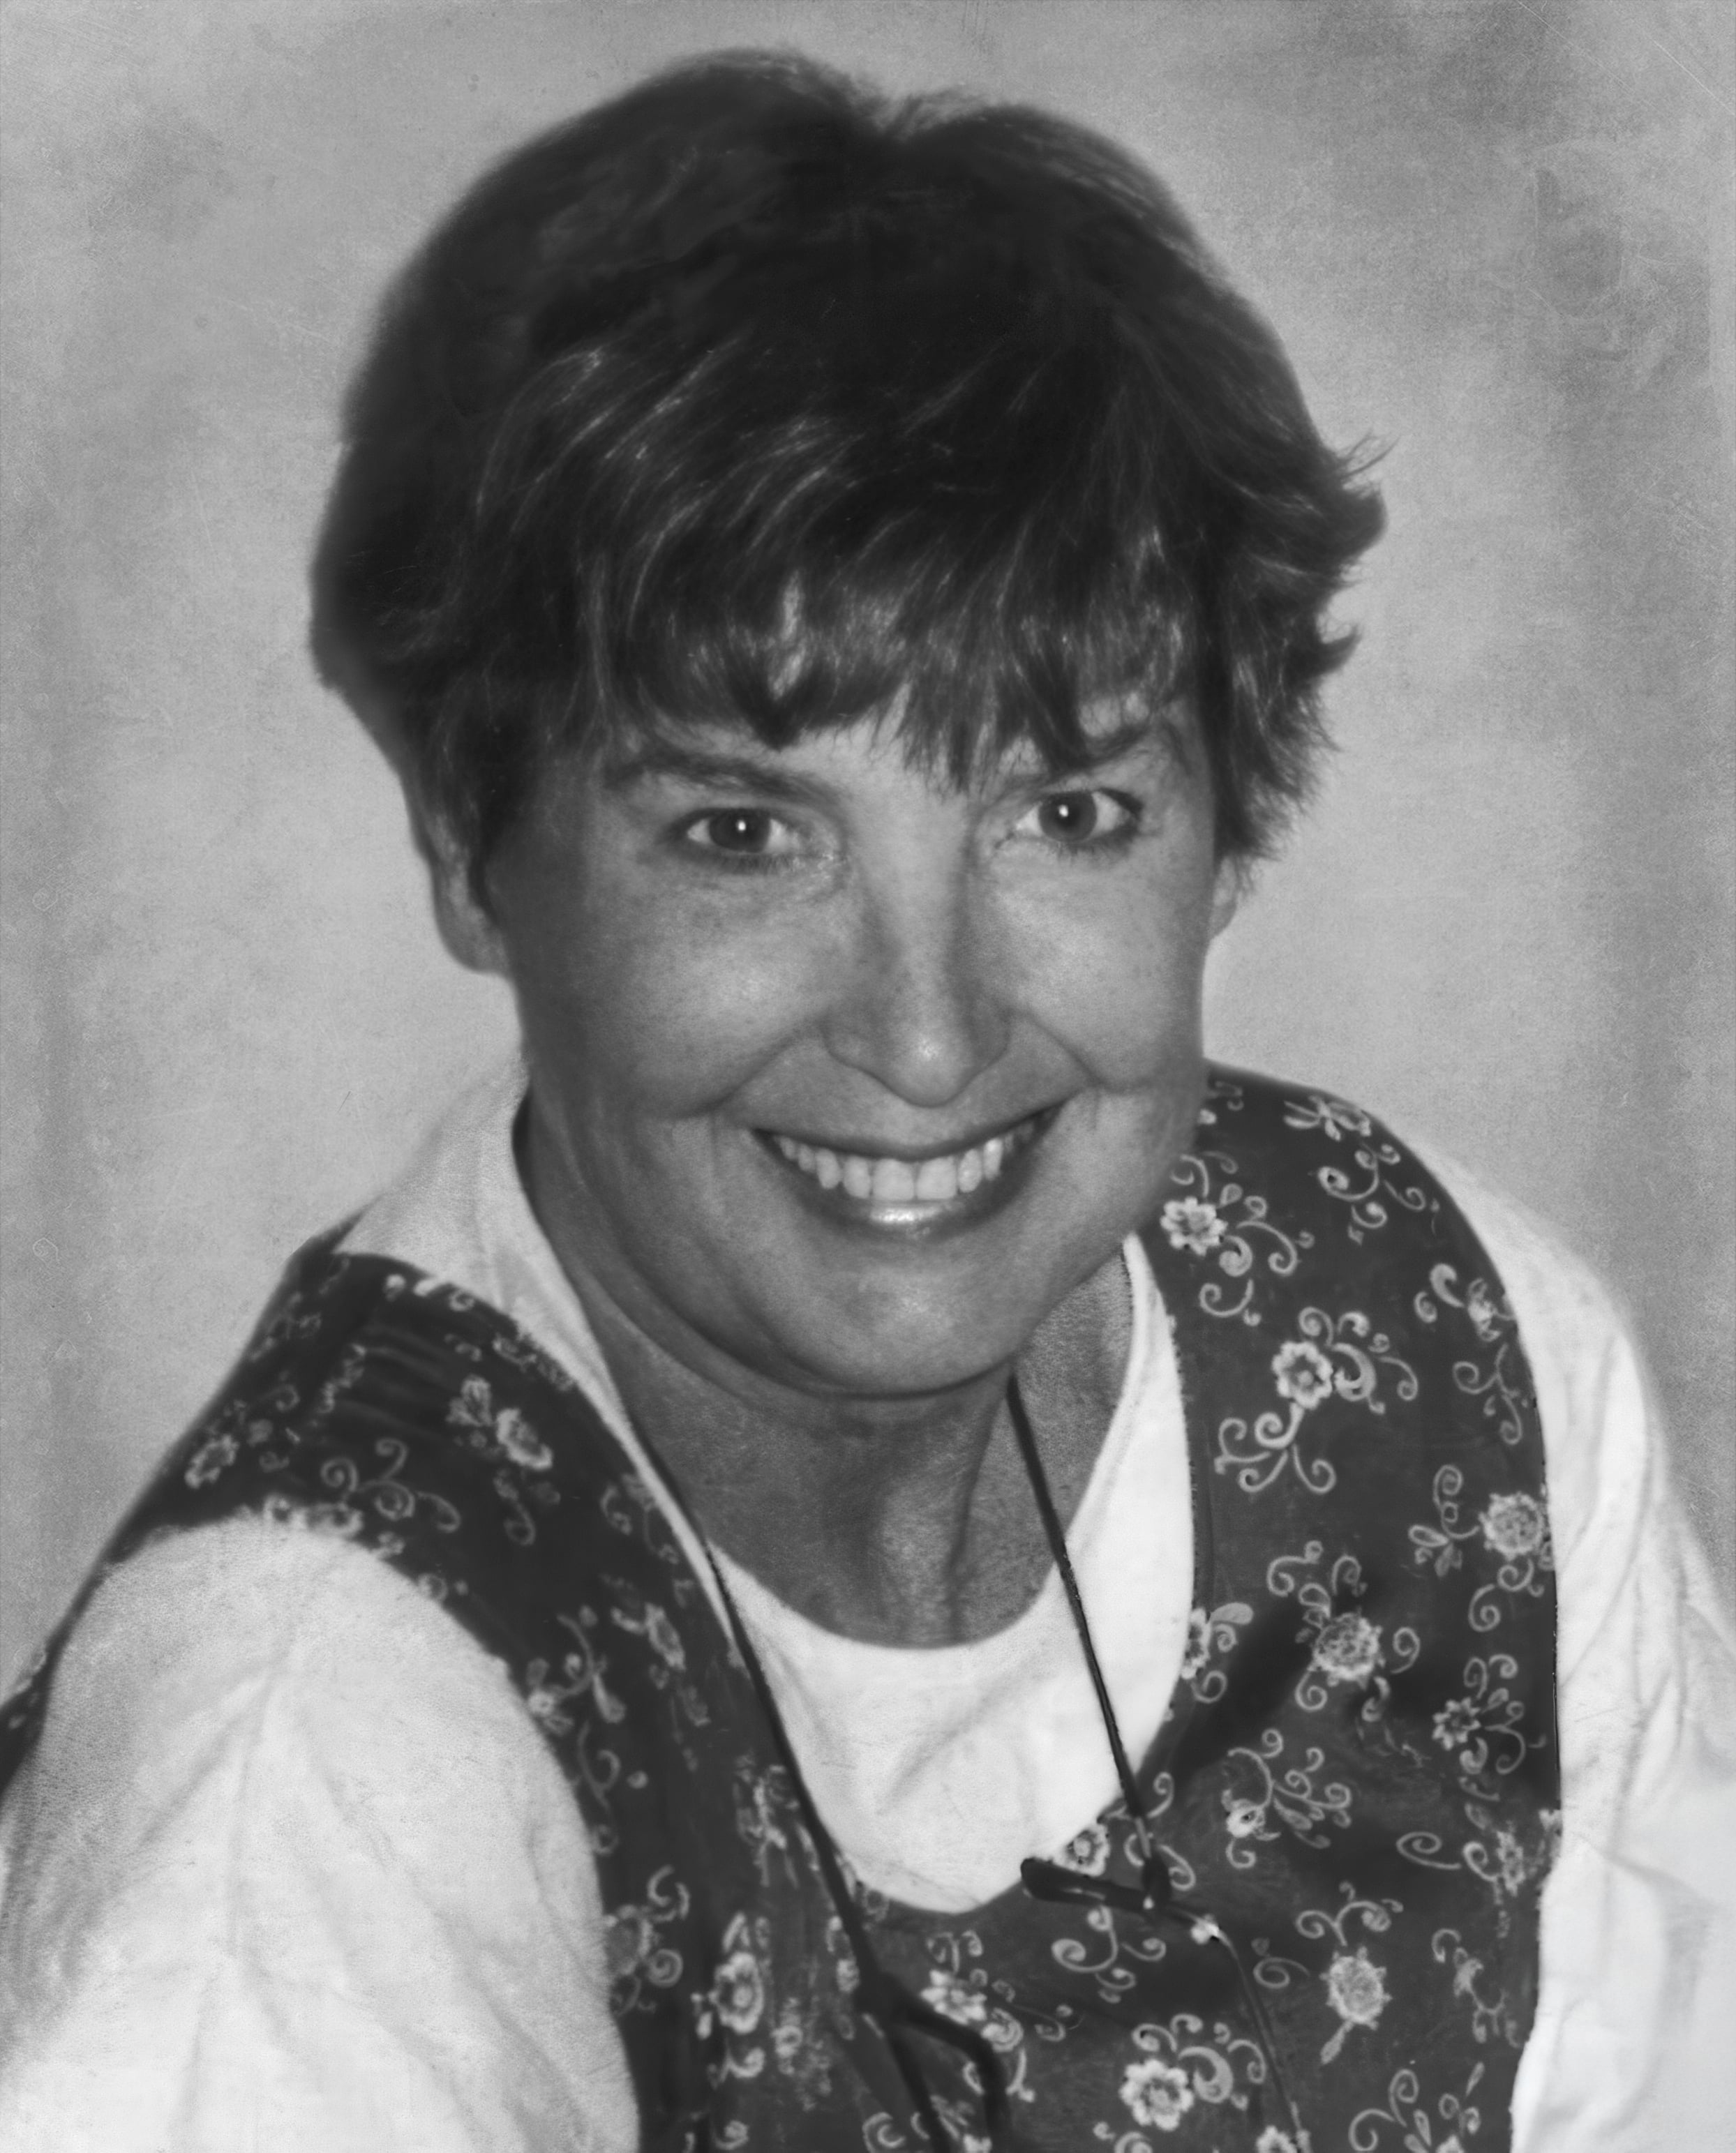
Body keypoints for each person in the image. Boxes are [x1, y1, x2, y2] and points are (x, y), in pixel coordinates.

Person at [0, 48, 1728, 2153]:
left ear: (1225, 829)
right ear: (474, 846)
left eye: (1067, 811)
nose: (926, 1039)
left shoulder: (1441, 1359)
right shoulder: (305, 1784)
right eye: (744, 835)